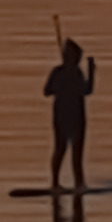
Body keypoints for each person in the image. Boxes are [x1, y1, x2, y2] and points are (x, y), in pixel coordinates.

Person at [44, 36, 97, 194]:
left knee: (75, 152)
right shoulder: (60, 73)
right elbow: (47, 91)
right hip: (64, 117)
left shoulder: (74, 73)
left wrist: (91, 71)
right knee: (61, 150)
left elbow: (86, 91)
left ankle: (78, 183)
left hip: (75, 118)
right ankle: (56, 184)